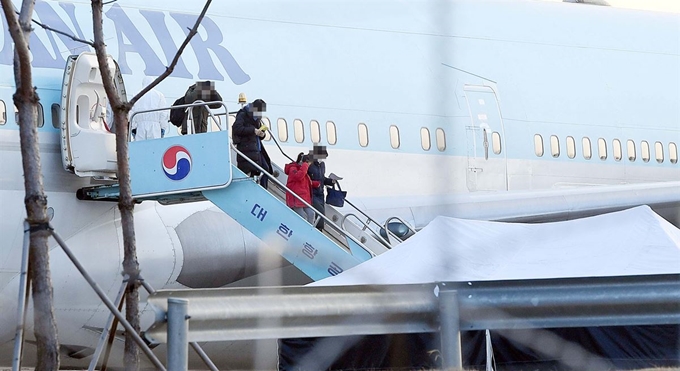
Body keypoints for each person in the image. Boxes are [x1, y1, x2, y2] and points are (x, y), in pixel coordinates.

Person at [232, 98, 273, 188]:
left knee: (266, 169)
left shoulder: (256, 118)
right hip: (247, 148)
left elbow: (256, 134)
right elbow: (237, 129)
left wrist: (262, 134)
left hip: (256, 148)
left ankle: (263, 189)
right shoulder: (243, 114)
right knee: (257, 170)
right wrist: (253, 131)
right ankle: (261, 189)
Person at [284, 153, 320, 224]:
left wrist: (316, 184)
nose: (309, 165)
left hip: (303, 198)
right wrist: (305, 165)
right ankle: (303, 231)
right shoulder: (293, 168)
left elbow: (305, 182)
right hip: (296, 198)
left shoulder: (303, 170)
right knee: (302, 217)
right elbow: (298, 177)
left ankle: (310, 230)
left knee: (311, 213)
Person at [306, 145, 335, 231]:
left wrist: (330, 181)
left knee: (321, 215)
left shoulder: (322, 165)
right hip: (312, 194)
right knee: (320, 214)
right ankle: (318, 231)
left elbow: (322, 178)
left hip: (321, 194)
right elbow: (305, 179)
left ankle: (318, 231)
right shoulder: (310, 165)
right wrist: (315, 184)